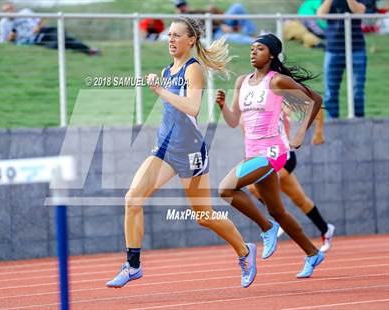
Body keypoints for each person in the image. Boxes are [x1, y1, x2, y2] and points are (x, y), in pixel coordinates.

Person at [106, 16, 257, 289]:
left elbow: (192, 107)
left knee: (203, 216)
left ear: (191, 40)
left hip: (190, 152)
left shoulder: (193, 69)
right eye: (169, 35)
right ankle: (133, 265)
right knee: (132, 199)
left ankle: (245, 251)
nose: (171, 40)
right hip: (165, 149)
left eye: (177, 35)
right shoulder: (167, 71)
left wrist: (160, 90)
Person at [217, 33, 325, 278]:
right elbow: (234, 121)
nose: (253, 52)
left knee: (225, 189)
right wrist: (223, 106)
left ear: (273, 54)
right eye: (252, 48)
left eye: (260, 49)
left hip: (273, 153)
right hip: (252, 153)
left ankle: (266, 228)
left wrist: (299, 136)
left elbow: (315, 100)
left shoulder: (277, 82)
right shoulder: (242, 81)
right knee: (277, 210)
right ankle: (312, 253)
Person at [247, 109, 336, 253]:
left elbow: (317, 107)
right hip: (268, 157)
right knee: (300, 199)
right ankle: (326, 229)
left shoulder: (281, 95)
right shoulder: (255, 101)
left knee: (253, 185)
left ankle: (280, 218)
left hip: (284, 158)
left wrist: (318, 132)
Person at [317, 0, 367, 118]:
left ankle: (359, 123)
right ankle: (332, 124)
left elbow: (359, 11)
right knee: (330, 91)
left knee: (357, 91)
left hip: (356, 48)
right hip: (333, 49)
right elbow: (321, 15)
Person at [0, 2, 100, 56]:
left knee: (61, 35)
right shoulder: (4, 23)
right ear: (3, 12)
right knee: (59, 43)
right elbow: (5, 41)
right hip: (35, 39)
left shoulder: (25, 12)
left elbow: (41, 20)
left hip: (44, 31)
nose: (9, 11)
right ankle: (89, 51)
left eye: (10, 9)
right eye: (6, 10)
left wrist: (37, 26)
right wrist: (11, 37)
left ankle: (88, 50)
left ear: (14, 8)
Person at [174, 0, 257, 45]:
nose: (183, 7)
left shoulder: (193, 11)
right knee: (236, 38)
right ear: (177, 9)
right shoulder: (183, 21)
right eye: (180, 6)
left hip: (222, 21)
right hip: (215, 33)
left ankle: (251, 33)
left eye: (183, 4)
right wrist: (220, 27)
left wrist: (215, 11)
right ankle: (256, 41)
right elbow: (200, 31)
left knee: (237, 7)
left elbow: (209, 13)